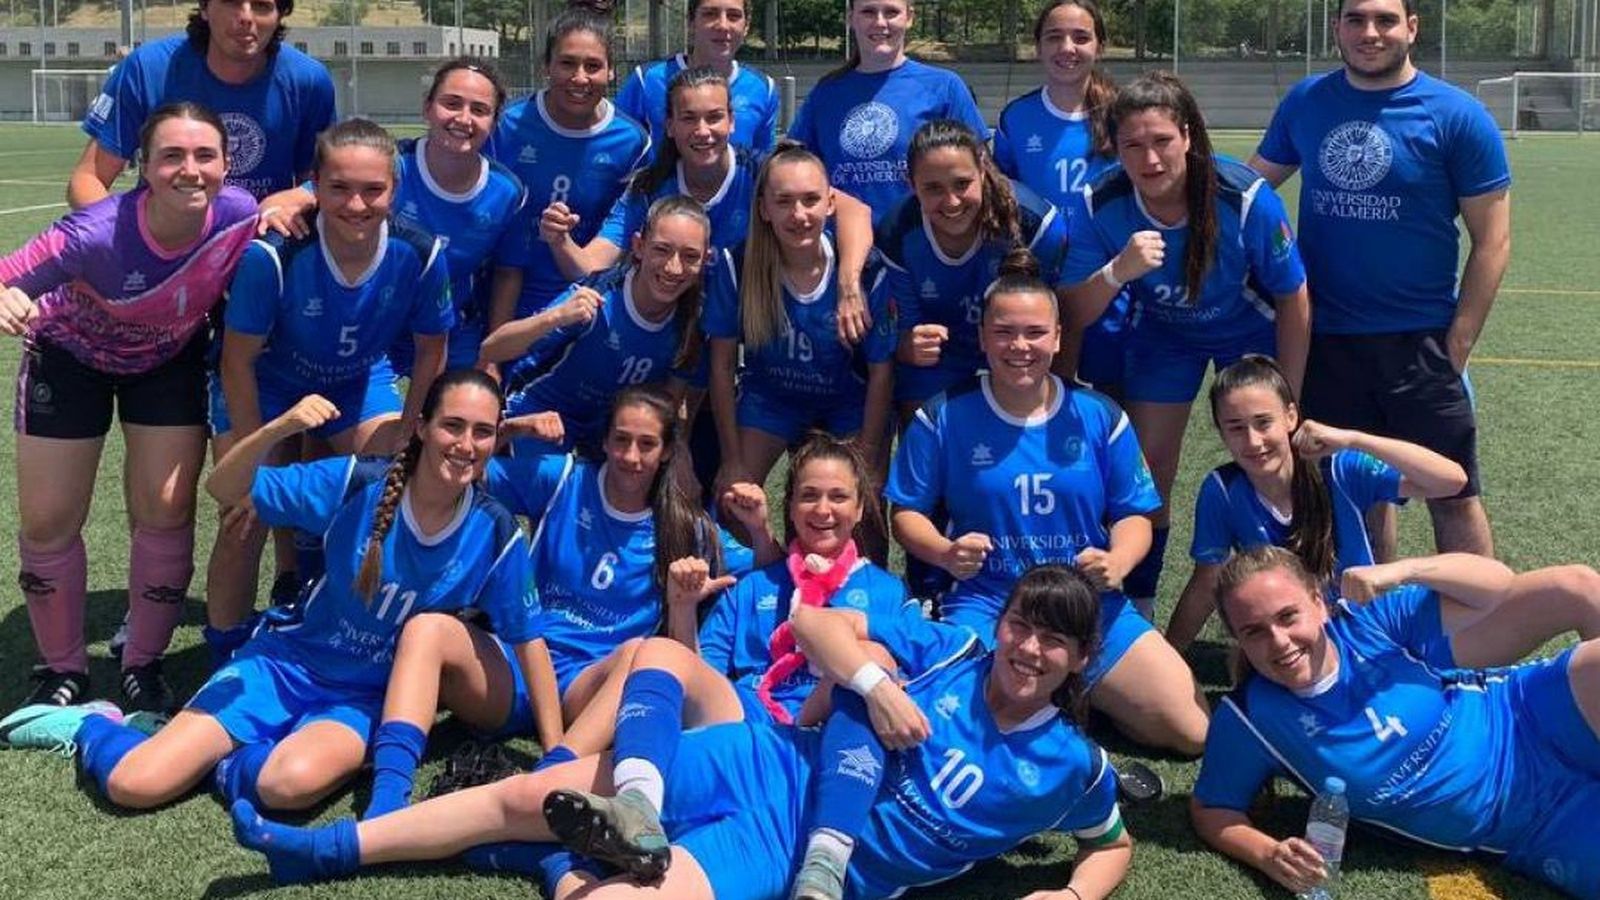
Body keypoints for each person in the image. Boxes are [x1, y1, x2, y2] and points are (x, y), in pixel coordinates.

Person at [224, 564, 1133, 900]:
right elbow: (818, 626)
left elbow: (1112, 842)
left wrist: (1075, 896)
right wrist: (867, 680)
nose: (1028, 647)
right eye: (1023, 624)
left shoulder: (1071, 766)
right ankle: (330, 851)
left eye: (1054, 639)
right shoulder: (955, 650)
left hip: (792, 858)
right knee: (521, 795)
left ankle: (566, 863)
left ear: (1082, 657)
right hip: (765, 762)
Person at [0, 371, 549, 815]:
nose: (467, 444)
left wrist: (558, 750)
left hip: (362, 698)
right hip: (286, 665)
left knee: (288, 787)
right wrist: (277, 429)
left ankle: (226, 762)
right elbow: (223, 488)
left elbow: (528, 642)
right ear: (424, 427)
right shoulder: (359, 481)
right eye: (453, 425)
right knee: (135, 785)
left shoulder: (495, 530)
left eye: (482, 432)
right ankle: (96, 725)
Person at [362, 386, 781, 820]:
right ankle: (387, 799)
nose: (631, 457)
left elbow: (772, 574)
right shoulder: (562, 478)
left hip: (591, 691)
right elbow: (471, 468)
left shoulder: (686, 527)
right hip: (518, 666)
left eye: (646, 444)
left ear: (668, 451)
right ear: (603, 441)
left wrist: (760, 530)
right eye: (620, 440)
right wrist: (514, 428)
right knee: (426, 628)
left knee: (642, 655)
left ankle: (552, 775)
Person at [887, 249, 1208, 755]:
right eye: (1005, 332)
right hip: (990, 603)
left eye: (1035, 332)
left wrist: (1118, 560)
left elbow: (1135, 515)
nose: (1020, 345)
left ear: (1058, 338)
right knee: (960, 731)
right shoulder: (944, 417)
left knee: (1191, 732)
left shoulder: (1098, 414)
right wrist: (945, 554)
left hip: (1088, 603)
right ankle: (1065, 703)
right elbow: (906, 513)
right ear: (984, 337)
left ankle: (1072, 689)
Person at [0, 103, 258, 714]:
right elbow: (7, 276)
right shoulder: (94, 232)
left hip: (165, 365)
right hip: (68, 361)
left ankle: (143, 660)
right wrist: (7, 298)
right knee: (48, 519)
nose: (189, 170)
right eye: (172, 156)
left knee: (166, 510)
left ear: (226, 165)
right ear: (144, 167)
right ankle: (61, 667)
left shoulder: (239, 216)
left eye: (205, 156)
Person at [1248, 0, 1511, 560]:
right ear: (1338, 28)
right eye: (1356, 20)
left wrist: (1455, 348)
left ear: (1411, 28)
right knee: (1350, 493)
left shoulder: (1457, 115)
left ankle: (1481, 633)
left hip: (1419, 340)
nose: (1370, 33)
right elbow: (1251, 189)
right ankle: (1372, 626)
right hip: (1328, 340)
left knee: (1454, 490)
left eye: (1385, 20)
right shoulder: (1306, 102)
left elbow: (1493, 242)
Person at [1191, 547, 1600, 898]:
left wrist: (1403, 570)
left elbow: (1497, 583)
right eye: (1255, 632)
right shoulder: (1250, 718)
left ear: (1318, 602)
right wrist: (1268, 854)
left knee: (1580, 597)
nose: (1279, 641)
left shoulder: (1366, 623)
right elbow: (1212, 809)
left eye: (1287, 616)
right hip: (1531, 825)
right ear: (1239, 640)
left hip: (1529, 713)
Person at [204, 118, 454, 661]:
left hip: (357, 380)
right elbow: (237, 362)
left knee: (389, 485)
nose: (357, 205)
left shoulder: (422, 253)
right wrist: (256, 460)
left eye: (373, 190)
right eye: (339, 187)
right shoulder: (272, 256)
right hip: (269, 386)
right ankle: (223, 651)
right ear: (314, 184)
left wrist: (411, 432)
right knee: (245, 512)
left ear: (396, 188)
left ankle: (325, 603)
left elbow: (432, 350)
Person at [1061, 70, 1311, 612]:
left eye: (1162, 142)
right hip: (1165, 335)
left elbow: (1294, 296)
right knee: (1149, 473)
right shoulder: (1098, 202)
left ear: (1188, 137)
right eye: (1133, 145)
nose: (1149, 160)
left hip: (1246, 330)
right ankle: (1143, 605)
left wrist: (1288, 394)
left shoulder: (1243, 198)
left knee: (1269, 458)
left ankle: (1298, 596)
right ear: (1115, 148)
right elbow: (1072, 311)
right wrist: (1117, 271)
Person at [1167, 354, 1467, 651]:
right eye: (1235, 427)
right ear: (1221, 431)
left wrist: (1355, 439)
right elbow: (1207, 581)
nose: (1253, 441)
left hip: (1361, 634)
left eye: (1263, 423)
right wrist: (1172, 655)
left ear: (1291, 417)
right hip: (1286, 643)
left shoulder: (1338, 469)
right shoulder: (1222, 490)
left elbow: (1451, 481)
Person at [259, 58, 527, 374]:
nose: (463, 118)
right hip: (370, 330)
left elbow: (507, 273)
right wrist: (274, 210)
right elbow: (293, 199)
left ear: (494, 122)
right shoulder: (389, 168)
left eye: (479, 110)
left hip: (448, 331)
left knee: (466, 415)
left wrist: (492, 358)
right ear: (428, 108)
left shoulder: (507, 191)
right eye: (451, 103)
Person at [704, 142, 895, 495]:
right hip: (772, 399)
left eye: (810, 199)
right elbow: (721, 365)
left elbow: (882, 373)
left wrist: (867, 456)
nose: (799, 214)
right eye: (784, 201)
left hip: (847, 402)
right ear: (763, 209)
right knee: (733, 498)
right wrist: (731, 460)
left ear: (831, 203)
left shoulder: (866, 272)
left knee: (862, 512)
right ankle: (771, 551)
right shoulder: (738, 266)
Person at [483, 195, 709, 459]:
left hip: (607, 441)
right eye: (661, 250)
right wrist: (556, 317)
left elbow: (667, 409)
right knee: (548, 477)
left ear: (706, 260)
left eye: (690, 256)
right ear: (638, 246)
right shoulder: (598, 296)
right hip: (538, 418)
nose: (674, 267)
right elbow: (491, 349)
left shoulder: (692, 321)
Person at [879, 119, 1067, 418]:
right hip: (942, 358)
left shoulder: (1037, 225)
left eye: (962, 184)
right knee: (919, 385)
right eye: (933, 188)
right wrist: (907, 343)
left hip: (1015, 350)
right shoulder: (898, 231)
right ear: (910, 183)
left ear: (981, 168)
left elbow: (1049, 326)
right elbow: (906, 330)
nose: (951, 201)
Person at [71, 0, 336, 205]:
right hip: (166, 248)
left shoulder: (309, 81)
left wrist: (296, 198)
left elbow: (322, 182)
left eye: (261, 5)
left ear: (279, 15)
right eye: (232, 2)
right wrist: (121, 246)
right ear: (205, 7)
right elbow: (88, 178)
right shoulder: (148, 69)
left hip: (262, 244)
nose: (246, 17)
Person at [992, 0, 1128, 391]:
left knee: (1108, 407)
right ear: (1037, 47)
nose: (1066, 48)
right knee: (1042, 404)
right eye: (1054, 37)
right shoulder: (1016, 117)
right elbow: (1002, 200)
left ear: (1099, 46)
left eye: (1080, 37)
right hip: (1038, 288)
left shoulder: (1123, 114)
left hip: (1112, 290)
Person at [488, 6, 651, 321]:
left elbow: (618, 239)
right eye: (567, 63)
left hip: (589, 304)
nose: (580, 78)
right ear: (546, 66)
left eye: (593, 66)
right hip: (502, 298)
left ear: (611, 71)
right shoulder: (507, 126)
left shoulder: (632, 142)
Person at [789, 0, 989, 228]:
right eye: (868, 12)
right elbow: (795, 169)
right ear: (850, 17)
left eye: (891, 12)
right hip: (846, 246)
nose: (880, 22)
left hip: (919, 246)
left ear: (910, 17)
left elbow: (980, 171)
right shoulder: (825, 93)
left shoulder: (945, 87)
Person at [615, 0, 779, 161]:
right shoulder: (648, 80)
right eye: (710, 14)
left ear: (746, 26)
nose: (723, 25)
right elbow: (617, 149)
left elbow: (763, 165)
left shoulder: (763, 88)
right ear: (691, 22)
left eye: (733, 16)